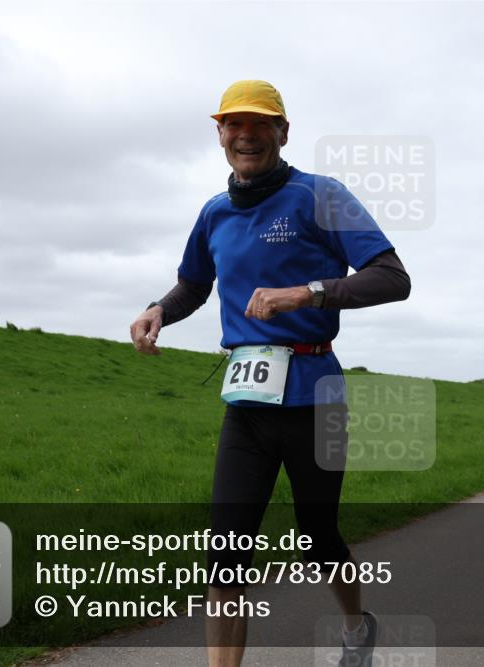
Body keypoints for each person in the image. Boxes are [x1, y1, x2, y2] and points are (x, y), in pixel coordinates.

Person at [129, 80, 411, 667]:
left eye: (260, 124)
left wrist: (306, 294)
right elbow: (194, 285)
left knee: (317, 535)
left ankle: (356, 627)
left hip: (316, 396)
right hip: (247, 406)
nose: (246, 135)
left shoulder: (319, 196)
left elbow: (392, 277)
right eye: (233, 125)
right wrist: (160, 309)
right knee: (226, 555)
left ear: (283, 133)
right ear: (220, 135)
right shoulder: (214, 212)